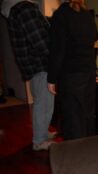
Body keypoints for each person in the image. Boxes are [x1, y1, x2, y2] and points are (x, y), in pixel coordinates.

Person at [1, 0, 55, 150]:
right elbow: (40, 41)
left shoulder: (16, 11)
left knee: (43, 102)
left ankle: (42, 132)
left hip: (33, 64)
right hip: (40, 64)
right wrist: (56, 58)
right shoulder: (25, 9)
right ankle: (39, 140)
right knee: (43, 104)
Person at [47, 0, 98, 140]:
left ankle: (76, 156)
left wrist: (51, 78)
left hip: (71, 73)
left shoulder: (61, 15)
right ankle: (88, 150)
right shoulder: (86, 14)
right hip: (89, 71)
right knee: (87, 114)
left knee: (73, 117)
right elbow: (95, 36)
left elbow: (57, 50)